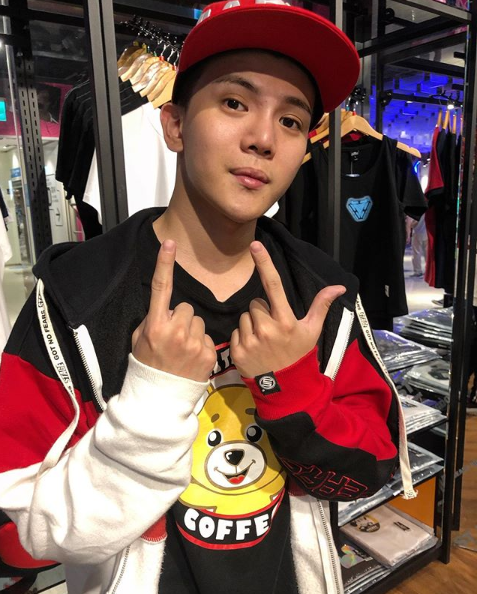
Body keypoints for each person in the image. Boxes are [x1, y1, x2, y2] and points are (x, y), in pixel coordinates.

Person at [0, 2, 416, 593]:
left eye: (291, 120)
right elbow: (16, 538)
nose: (263, 139)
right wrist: (151, 403)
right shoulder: (79, 296)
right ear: (174, 125)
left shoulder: (321, 293)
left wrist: (293, 387)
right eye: (234, 103)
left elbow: (368, 471)